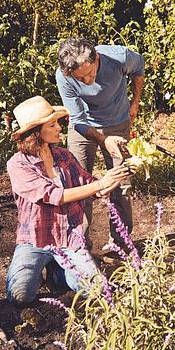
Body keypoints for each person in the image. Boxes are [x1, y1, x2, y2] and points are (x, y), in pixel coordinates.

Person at [5, 96, 131, 304]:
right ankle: (39, 268)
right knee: (19, 296)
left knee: (96, 290)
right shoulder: (18, 165)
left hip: (68, 237)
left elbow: (93, 188)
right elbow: (54, 196)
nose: (59, 129)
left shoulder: (65, 156)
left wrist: (119, 174)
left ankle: (57, 273)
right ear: (35, 133)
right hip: (35, 239)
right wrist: (99, 184)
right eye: (52, 125)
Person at [55, 38, 144, 248]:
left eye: (89, 73)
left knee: (121, 184)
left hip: (118, 123)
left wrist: (135, 104)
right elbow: (77, 120)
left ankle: (121, 242)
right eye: (80, 78)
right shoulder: (64, 77)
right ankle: (80, 246)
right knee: (77, 185)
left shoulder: (119, 57)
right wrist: (104, 140)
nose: (87, 81)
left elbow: (139, 67)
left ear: (97, 58)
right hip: (84, 128)